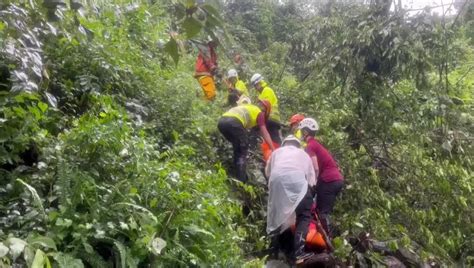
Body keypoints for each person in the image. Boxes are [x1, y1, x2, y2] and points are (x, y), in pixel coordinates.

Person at [265, 135, 316, 264]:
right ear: (298, 145)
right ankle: (299, 253)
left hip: (276, 183)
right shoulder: (304, 155)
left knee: (277, 215)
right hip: (298, 181)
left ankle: (273, 251)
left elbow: (268, 172)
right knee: (304, 216)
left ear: (284, 144)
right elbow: (311, 181)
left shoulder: (276, 152)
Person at [298, 118, 344, 237]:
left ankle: (327, 241)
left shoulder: (310, 146)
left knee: (322, 213)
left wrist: (313, 183)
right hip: (335, 179)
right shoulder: (316, 144)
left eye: (302, 131)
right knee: (323, 211)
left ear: (305, 132)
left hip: (328, 180)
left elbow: (316, 167)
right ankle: (327, 238)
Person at [217, 100, 275, 182]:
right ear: (266, 111)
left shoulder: (249, 107)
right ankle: (241, 180)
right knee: (242, 149)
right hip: (233, 123)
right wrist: (273, 149)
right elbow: (264, 132)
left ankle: (234, 170)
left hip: (221, 122)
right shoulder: (260, 113)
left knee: (238, 146)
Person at [250, 73, 282, 144]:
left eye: (256, 85)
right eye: (255, 86)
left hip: (271, 118)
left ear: (260, 82)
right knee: (271, 137)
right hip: (269, 119)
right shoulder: (261, 94)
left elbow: (265, 106)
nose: (255, 87)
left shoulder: (267, 90)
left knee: (273, 138)